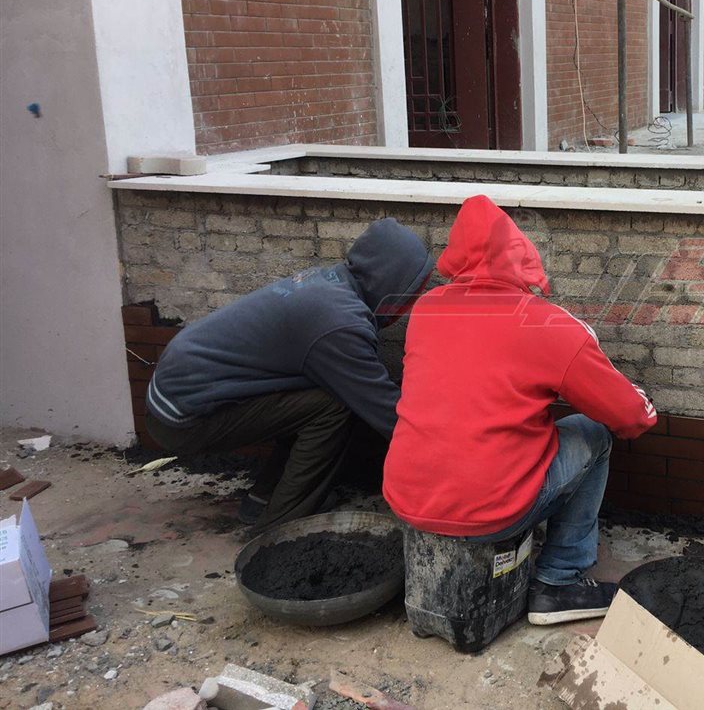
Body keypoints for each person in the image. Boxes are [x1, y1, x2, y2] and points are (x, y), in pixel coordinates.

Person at [383, 195, 657, 625]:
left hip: (409, 499)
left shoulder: (427, 308)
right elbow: (629, 417)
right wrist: (645, 405)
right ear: (521, 256)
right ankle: (559, 581)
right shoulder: (544, 323)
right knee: (595, 432)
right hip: (489, 511)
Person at [146, 219, 433, 532]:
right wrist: (450, 450)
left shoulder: (329, 282)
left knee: (318, 398)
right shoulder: (339, 324)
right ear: (388, 283)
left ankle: (262, 499)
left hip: (178, 388)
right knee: (334, 407)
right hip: (183, 415)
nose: (407, 309)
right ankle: (281, 527)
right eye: (408, 297)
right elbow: (386, 412)